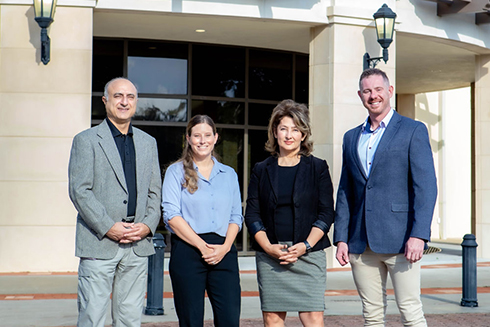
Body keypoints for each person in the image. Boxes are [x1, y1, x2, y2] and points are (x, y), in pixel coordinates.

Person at [334, 68, 438, 327]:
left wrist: (419, 235)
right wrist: (341, 238)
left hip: (402, 241)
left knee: (410, 312)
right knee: (371, 315)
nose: (373, 96)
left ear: (389, 91)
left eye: (378, 89)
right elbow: (346, 190)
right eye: (367, 91)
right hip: (360, 242)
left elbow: (426, 187)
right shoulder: (351, 137)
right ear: (360, 95)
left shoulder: (413, 130)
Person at [68, 77, 162, 327]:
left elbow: (155, 193)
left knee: (130, 319)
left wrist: (147, 225)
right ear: (105, 100)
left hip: (137, 244)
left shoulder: (148, 143)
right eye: (118, 96)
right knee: (92, 317)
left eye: (130, 97)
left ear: (136, 102)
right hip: (99, 243)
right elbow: (80, 191)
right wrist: (108, 226)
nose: (124, 102)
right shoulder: (86, 140)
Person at [245, 99, 334, 327]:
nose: (289, 135)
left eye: (295, 129)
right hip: (271, 256)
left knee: (313, 317)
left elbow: (326, 214)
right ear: (275, 132)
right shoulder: (261, 169)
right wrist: (267, 247)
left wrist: (305, 244)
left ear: (303, 135)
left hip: (308, 254)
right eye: (283, 128)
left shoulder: (318, 168)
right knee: (272, 319)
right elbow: (252, 215)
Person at [161, 115, 243, 327]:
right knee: (191, 321)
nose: (202, 140)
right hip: (188, 252)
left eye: (207, 135)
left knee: (230, 321)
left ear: (216, 138)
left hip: (224, 252)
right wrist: (201, 246)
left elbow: (236, 216)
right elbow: (171, 215)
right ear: (188, 138)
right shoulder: (175, 172)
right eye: (197, 135)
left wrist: (225, 247)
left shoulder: (229, 174)